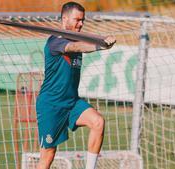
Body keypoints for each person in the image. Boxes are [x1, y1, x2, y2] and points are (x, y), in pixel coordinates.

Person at [35, 2, 116, 169]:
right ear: (64, 19)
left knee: (98, 122)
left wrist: (104, 39)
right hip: (51, 105)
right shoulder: (55, 41)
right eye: (77, 20)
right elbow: (75, 46)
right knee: (48, 155)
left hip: (72, 102)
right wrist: (100, 45)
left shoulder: (77, 37)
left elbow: (83, 41)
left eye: (83, 20)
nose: (81, 24)